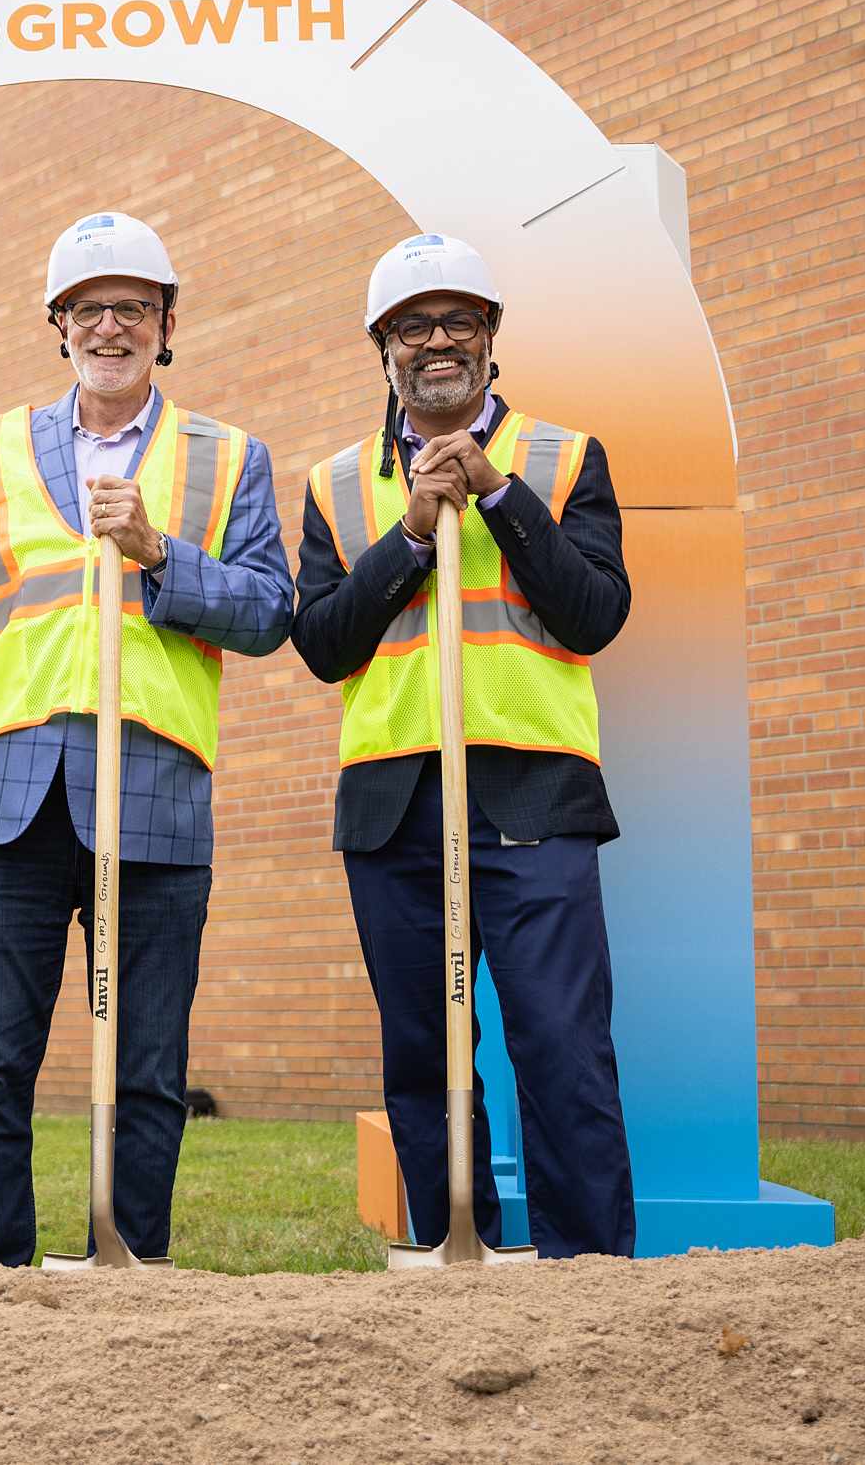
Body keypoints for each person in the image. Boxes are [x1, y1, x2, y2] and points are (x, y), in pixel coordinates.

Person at [0, 211, 292, 1266]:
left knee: (146, 1059)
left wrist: (160, 551)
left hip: (155, 793)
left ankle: (128, 1267)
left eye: (132, 306)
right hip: (2, 791)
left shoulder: (227, 456)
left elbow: (267, 613)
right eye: (87, 306)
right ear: (55, 323)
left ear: (167, 323)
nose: (108, 324)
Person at [290, 231, 636, 1258]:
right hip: (393, 800)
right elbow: (321, 642)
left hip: (531, 795)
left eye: (457, 321)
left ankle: (590, 1276)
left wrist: (495, 492)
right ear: (380, 344)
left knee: (562, 1045)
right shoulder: (338, 484)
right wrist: (407, 533)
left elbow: (592, 614)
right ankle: (455, 1255)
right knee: (423, 1053)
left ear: (490, 337)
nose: (435, 341)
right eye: (411, 325)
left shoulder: (563, 457)